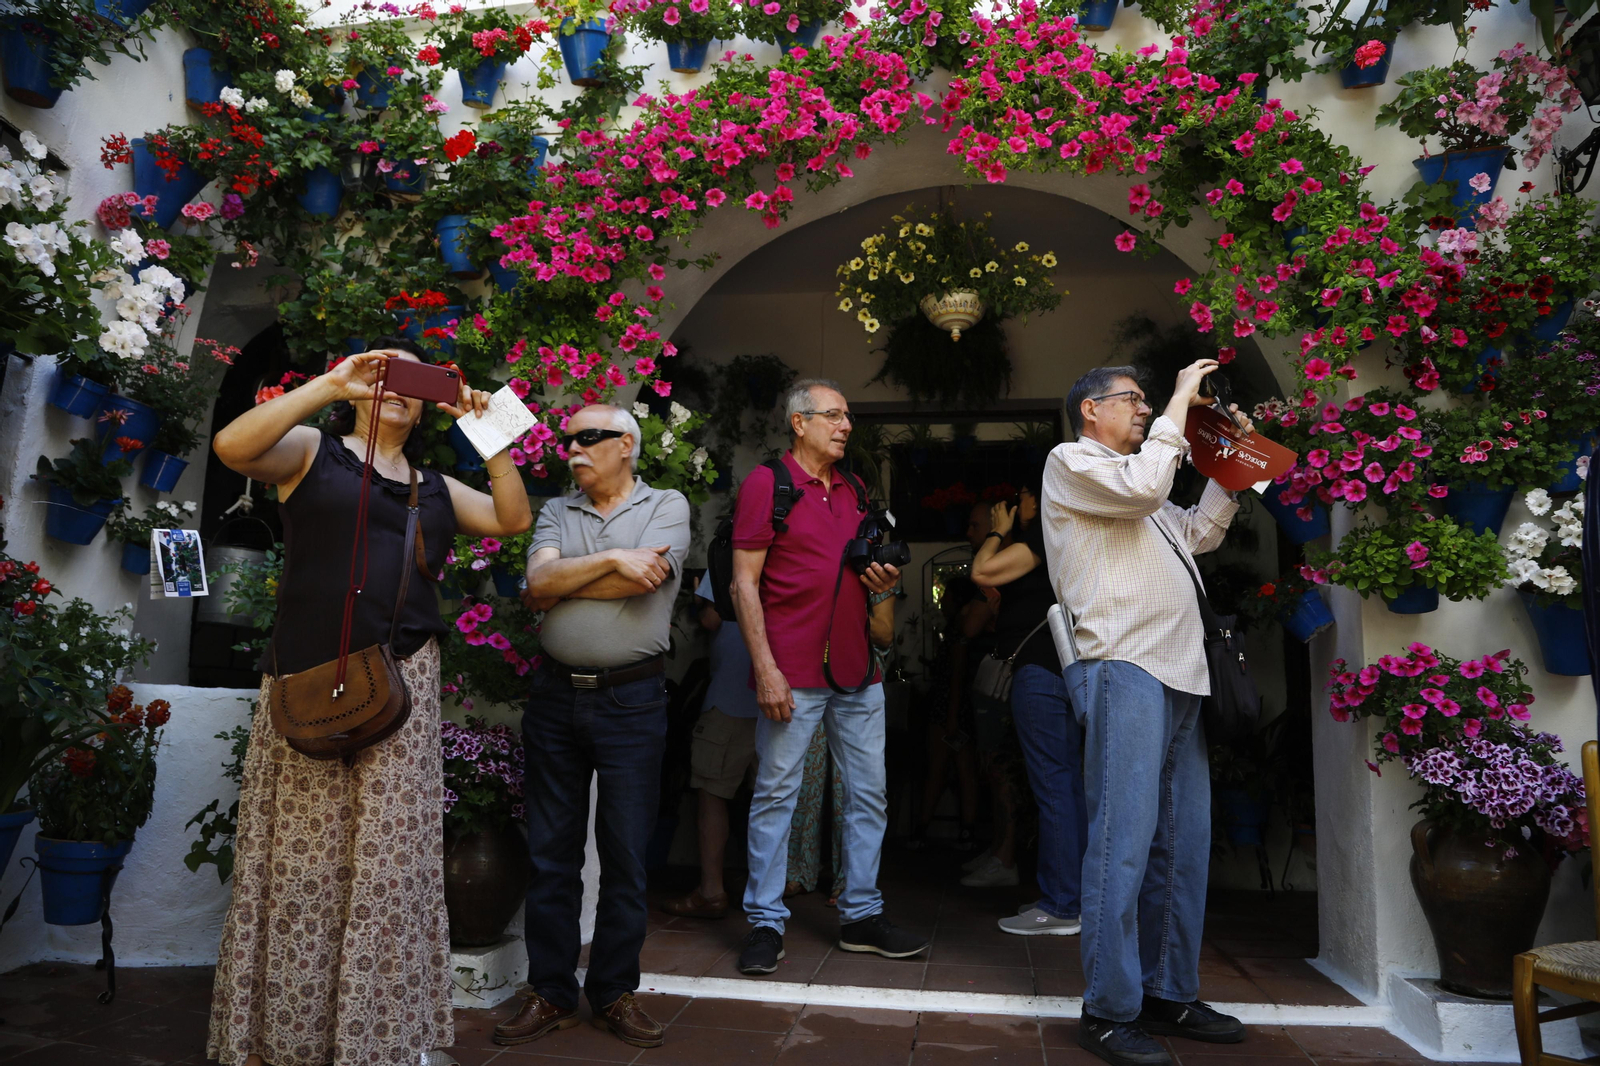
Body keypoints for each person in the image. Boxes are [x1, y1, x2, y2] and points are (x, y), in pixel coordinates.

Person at [207, 339, 533, 1066]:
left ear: (422, 410)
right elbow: (232, 444)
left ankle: (374, 1039)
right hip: (303, 681)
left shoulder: (439, 488)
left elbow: (512, 518)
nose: (394, 390)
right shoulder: (308, 455)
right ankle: (286, 1040)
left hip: (399, 694)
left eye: (408, 384)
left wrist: (489, 431)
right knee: (298, 868)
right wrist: (330, 383)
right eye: (380, 376)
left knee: (388, 871)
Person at [1043, 362, 1252, 1066]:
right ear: (1089, 410)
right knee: (1121, 846)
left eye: (1144, 401)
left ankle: (1168, 991)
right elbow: (1141, 491)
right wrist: (1177, 407)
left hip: (1182, 673)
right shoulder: (1074, 462)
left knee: (1182, 848)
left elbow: (1198, 535)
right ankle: (1106, 1011)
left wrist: (1230, 462)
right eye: (1130, 400)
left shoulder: (1146, 481)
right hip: (1123, 666)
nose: (1142, 412)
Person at [494, 404, 690, 1051]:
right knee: (551, 856)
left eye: (589, 437)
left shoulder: (667, 505)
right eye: (568, 439)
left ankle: (612, 991)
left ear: (626, 445)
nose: (573, 448)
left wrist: (563, 581)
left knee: (627, 855)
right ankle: (550, 992)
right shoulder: (555, 510)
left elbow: (646, 578)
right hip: (554, 698)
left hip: (632, 701)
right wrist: (613, 563)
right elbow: (536, 583)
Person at [731, 378, 928, 975]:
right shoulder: (769, 484)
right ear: (799, 422)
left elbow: (866, 578)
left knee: (868, 795)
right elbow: (744, 583)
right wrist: (764, 669)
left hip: (857, 671)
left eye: (848, 417)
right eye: (834, 416)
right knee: (775, 797)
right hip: (791, 672)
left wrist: (884, 585)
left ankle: (862, 915)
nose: (845, 426)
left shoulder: (855, 490)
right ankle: (765, 923)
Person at [970, 470, 1087, 929]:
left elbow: (981, 569)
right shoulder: (1060, 539)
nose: (1013, 502)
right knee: (1068, 785)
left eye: (1019, 495)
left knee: (1054, 785)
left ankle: (1062, 903)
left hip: (1040, 672)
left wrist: (998, 528)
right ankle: (1072, 897)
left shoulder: (1043, 534)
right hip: (1063, 670)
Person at [659, 569, 761, 920]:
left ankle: (711, 890)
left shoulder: (732, 557)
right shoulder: (799, 552)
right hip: (783, 702)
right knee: (771, 799)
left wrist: (699, 596)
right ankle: (765, 889)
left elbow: (712, 620)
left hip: (732, 698)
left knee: (712, 794)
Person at [905, 503, 991, 854]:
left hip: (949, 711)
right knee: (960, 770)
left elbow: (956, 674)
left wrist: (951, 715)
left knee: (943, 770)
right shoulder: (956, 632)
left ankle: (925, 832)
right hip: (955, 709)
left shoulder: (959, 633)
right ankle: (965, 833)